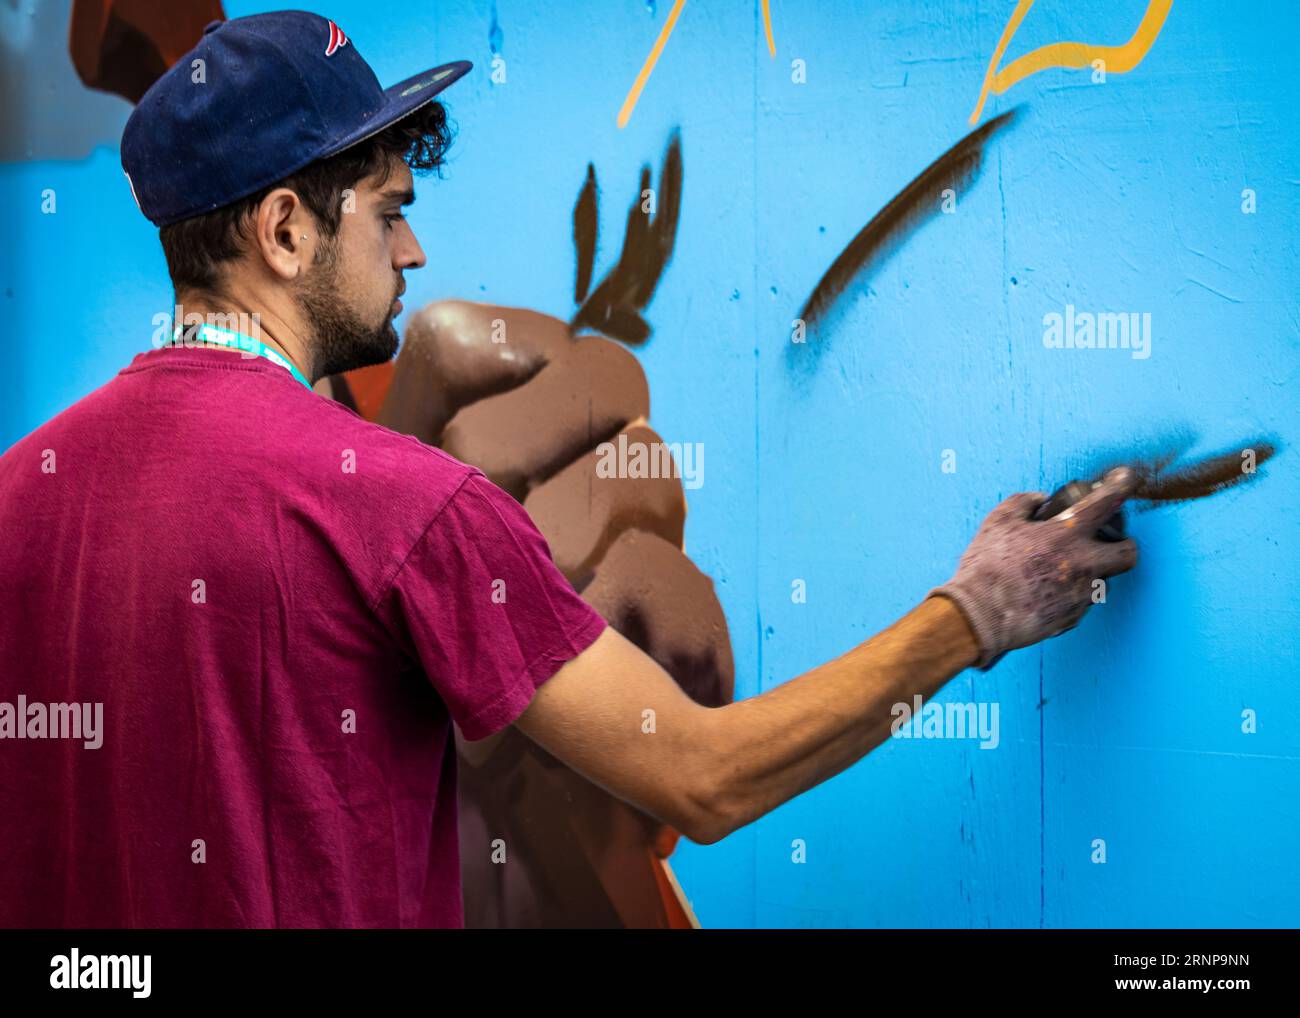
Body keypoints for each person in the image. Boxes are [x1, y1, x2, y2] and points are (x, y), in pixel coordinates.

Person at [0, 11, 1138, 928]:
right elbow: (704, 776)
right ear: (288, 232)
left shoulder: (19, 492)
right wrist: (975, 610)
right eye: (388, 213)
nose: (414, 251)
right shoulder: (400, 502)